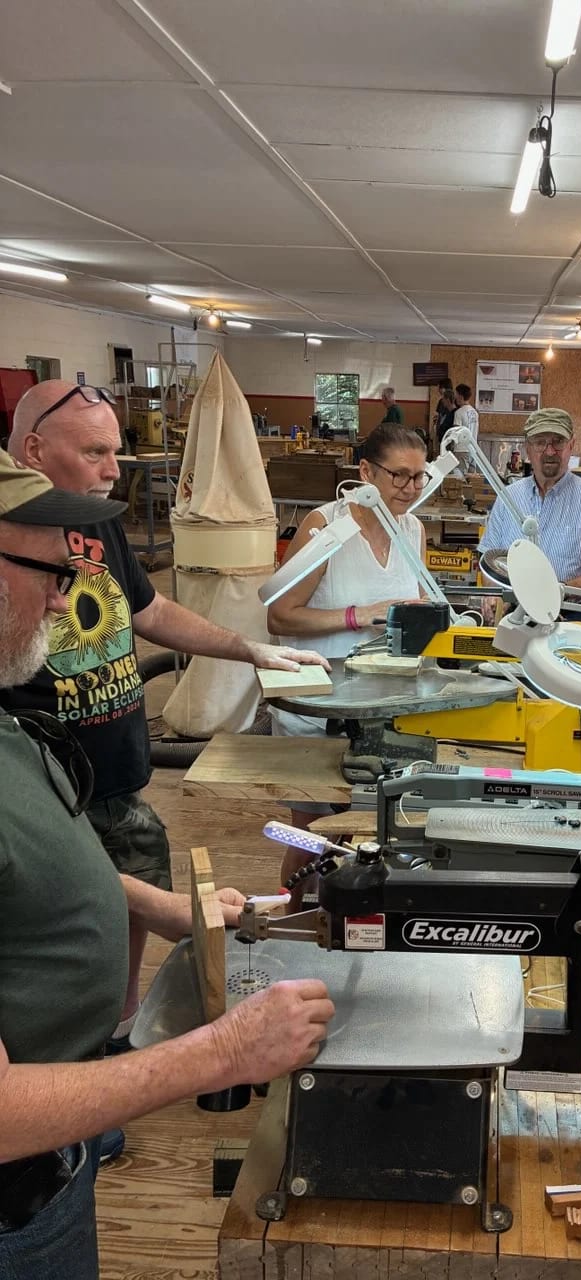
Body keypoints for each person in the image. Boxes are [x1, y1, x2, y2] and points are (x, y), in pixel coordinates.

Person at [0, 448, 335, 1280]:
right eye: (48, 573)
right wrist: (225, 1051)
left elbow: (28, 873)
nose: (65, 599)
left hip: (57, 1150)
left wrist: (160, 907)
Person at [4, 382, 329, 1075]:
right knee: (51, 951)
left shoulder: (96, 522)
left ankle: (110, 1038)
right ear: (34, 449)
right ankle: (75, 1069)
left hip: (114, 778)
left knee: (115, 933)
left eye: (115, 452)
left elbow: (148, 612)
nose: (113, 469)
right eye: (95, 452)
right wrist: (221, 1053)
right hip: (48, 794)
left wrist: (248, 648)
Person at [266, 424, 429, 884]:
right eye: (399, 475)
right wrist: (359, 616)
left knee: (375, 832)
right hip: (316, 708)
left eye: (419, 477)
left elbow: (417, 609)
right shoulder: (325, 527)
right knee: (311, 836)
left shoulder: (413, 528)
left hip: (381, 709)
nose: (410, 488)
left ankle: (346, 917)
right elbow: (279, 616)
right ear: (365, 472)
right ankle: (289, 915)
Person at [478, 408, 581, 627]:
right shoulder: (508, 498)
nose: (550, 451)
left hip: (570, 616)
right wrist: (491, 595)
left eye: (558, 442)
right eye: (540, 442)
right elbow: (489, 560)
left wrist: (557, 592)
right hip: (514, 614)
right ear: (527, 448)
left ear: (571, 445)